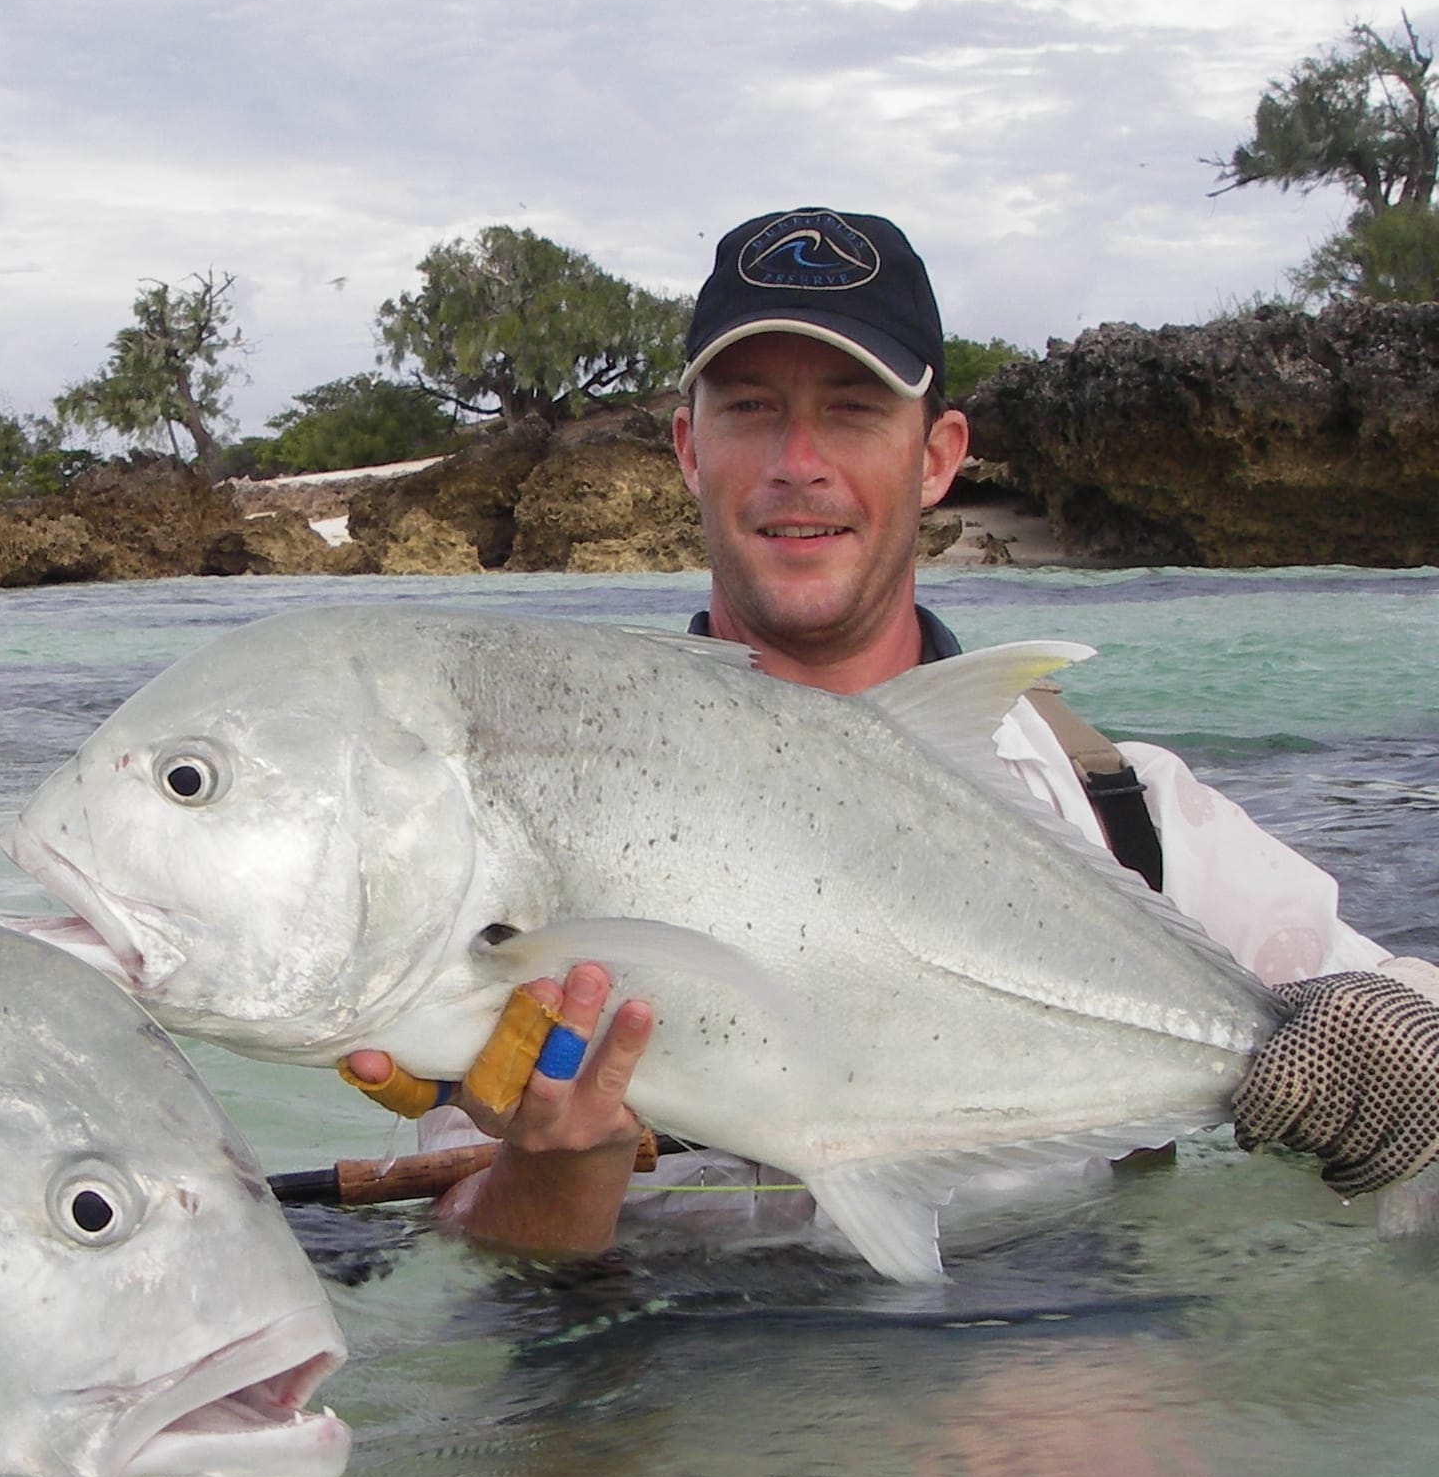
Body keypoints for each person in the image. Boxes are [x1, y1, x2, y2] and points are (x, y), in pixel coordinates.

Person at [346, 206, 1439, 1256]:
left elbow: (1395, 1023)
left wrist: (1369, 1055)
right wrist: (555, 1172)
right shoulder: (538, 809)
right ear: (688, 447)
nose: (797, 461)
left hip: (1054, 1352)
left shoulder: (1121, 812)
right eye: (749, 408)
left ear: (936, 454)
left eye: (854, 408)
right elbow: (497, 1255)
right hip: (676, 1379)